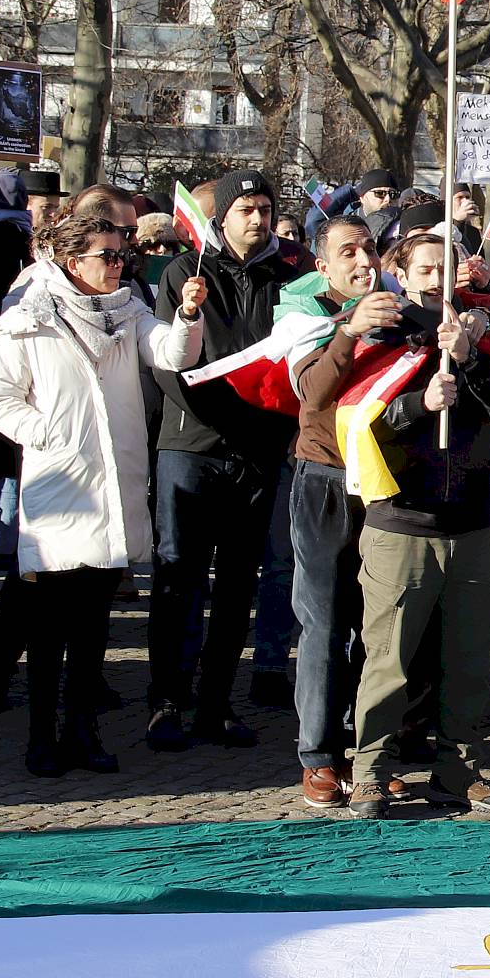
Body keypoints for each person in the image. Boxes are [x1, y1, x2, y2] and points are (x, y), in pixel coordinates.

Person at [0, 216, 205, 776]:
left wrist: (189, 314)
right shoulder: (30, 318)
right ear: (72, 261)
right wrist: (49, 435)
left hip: (115, 485)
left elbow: (174, 354)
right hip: (60, 487)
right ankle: (41, 736)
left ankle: (83, 729)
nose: (118, 264)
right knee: (49, 623)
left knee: (93, 624)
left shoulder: (129, 311)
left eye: (120, 254)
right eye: (105, 255)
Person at [339, 232, 490, 817]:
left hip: (472, 521)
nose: (434, 280)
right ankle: (370, 769)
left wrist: (470, 362)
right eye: (423, 269)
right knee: (389, 659)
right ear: (401, 273)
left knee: (470, 660)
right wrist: (419, 404)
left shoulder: (482, 334)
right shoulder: (379, 335)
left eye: (445, 270)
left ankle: (458, 770)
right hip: (402, 524)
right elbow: (358, 417)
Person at [144, 169, 302, 753]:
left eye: (265, 209)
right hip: (192, 445)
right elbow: (168, 364)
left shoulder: (294, 274)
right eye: (245, 210)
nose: (258, 219)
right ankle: (166, 700)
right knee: (179, 574)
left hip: (260, 450)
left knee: (239, 582)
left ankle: (215, 701)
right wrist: (226, 420)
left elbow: (298, 355)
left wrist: (272, 425)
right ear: (222, 217)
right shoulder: (185, 272)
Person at [281, 215, 389, 807]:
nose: (362, 260)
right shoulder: (304, 318)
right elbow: (313, 393)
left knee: (379, 625)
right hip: (324, 479)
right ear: (322, 266)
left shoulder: (400, 313)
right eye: (347, 251)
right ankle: (318, 754)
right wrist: (350, 330)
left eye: (370, 248)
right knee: (324, 621)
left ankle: (371, 752)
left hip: (387, 483)